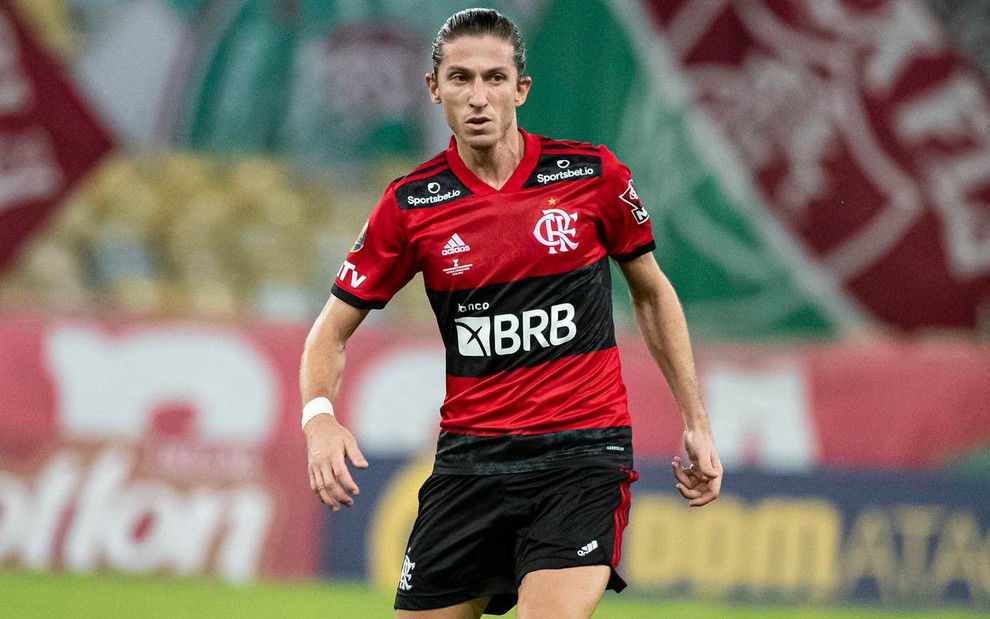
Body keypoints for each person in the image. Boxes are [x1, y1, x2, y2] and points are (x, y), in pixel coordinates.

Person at [299, 8, 721, 618]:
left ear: (521, 89)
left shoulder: (591, 177)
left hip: (581, 454)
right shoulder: (411, 205)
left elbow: (652, 294)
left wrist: (696, 420)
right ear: (433, 87)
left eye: (495, 79)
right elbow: (329, 333)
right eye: (461, 78)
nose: (478, 98)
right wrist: (319, 419)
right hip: (470, 462)